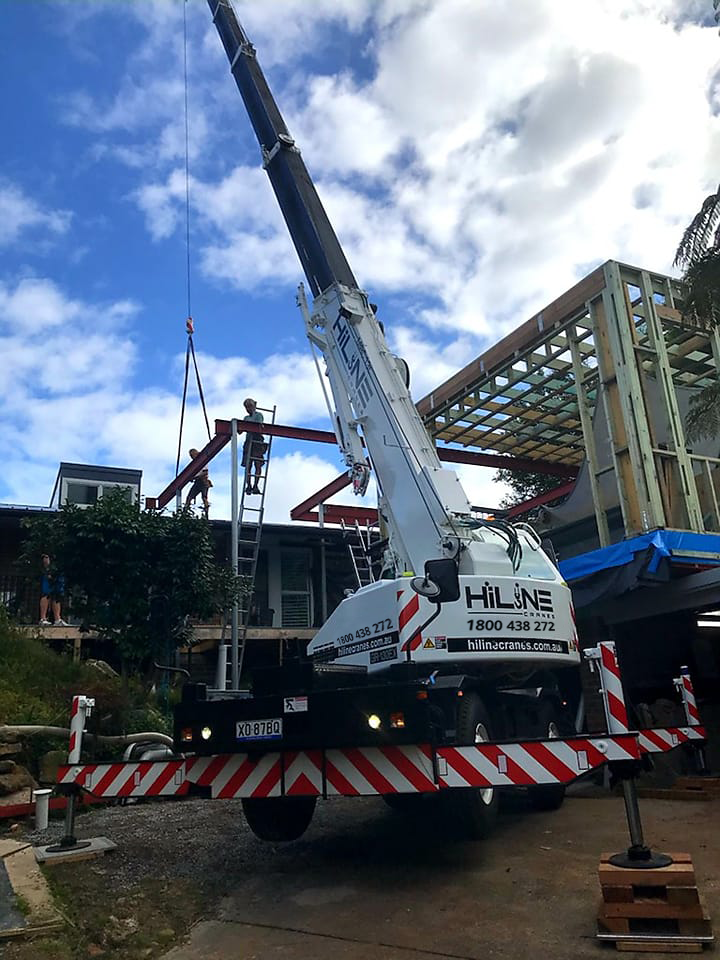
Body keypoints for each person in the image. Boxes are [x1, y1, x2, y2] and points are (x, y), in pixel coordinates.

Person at [242, 398, 267, 495]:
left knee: (258, 464)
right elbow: (242, 429)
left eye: (250, 406)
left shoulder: (258, 415)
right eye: (246, 407)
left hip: (257, 441)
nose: (248, 409)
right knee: (248, 466)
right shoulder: (246, 418)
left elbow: (257, 426)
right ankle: (249, 485)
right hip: (249, 442)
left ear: (254, 406)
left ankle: (256, 485)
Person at [39, 553, 68, 626]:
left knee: (57, 593)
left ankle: (57, 619)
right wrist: (47, 565)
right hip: (50, 568)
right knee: (46, 593)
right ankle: (43, 618)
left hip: (59, 568)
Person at [184, 448, 212, 519]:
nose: (191, 457)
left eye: (192, 455)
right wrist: (191, 477)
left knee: (204, 498)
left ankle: (206, 515)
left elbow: (205, 472)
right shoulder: (194, 464)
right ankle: (185, 513)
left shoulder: (202, 460)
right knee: (189, 497)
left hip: (203, 481)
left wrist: (194, 477)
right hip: (197, 482)